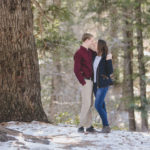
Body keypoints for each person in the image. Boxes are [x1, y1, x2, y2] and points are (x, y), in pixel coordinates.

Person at [74, 33, 96, 133]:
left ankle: (89, 125)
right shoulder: (79, 53)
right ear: (86, 40)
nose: (93, 42)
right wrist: (82, 82)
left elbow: (98, 53)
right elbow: (76, 70)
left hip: (91, 80)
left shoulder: (89, 52)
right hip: (85, 81)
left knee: (90, 103)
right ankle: (81, 126)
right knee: (86, 104)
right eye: (92, 40)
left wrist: (95, 46)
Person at [93, 39, 113, 133]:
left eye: (96, 43)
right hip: (95, 84)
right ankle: (106, 126)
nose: (94, 44)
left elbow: (109, 72)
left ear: (100, 45)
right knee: (102, 105)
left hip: (103, 84)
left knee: (97, 105)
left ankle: (106, 126)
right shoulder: (94, 56)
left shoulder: (106, 57)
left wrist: (109, 60)